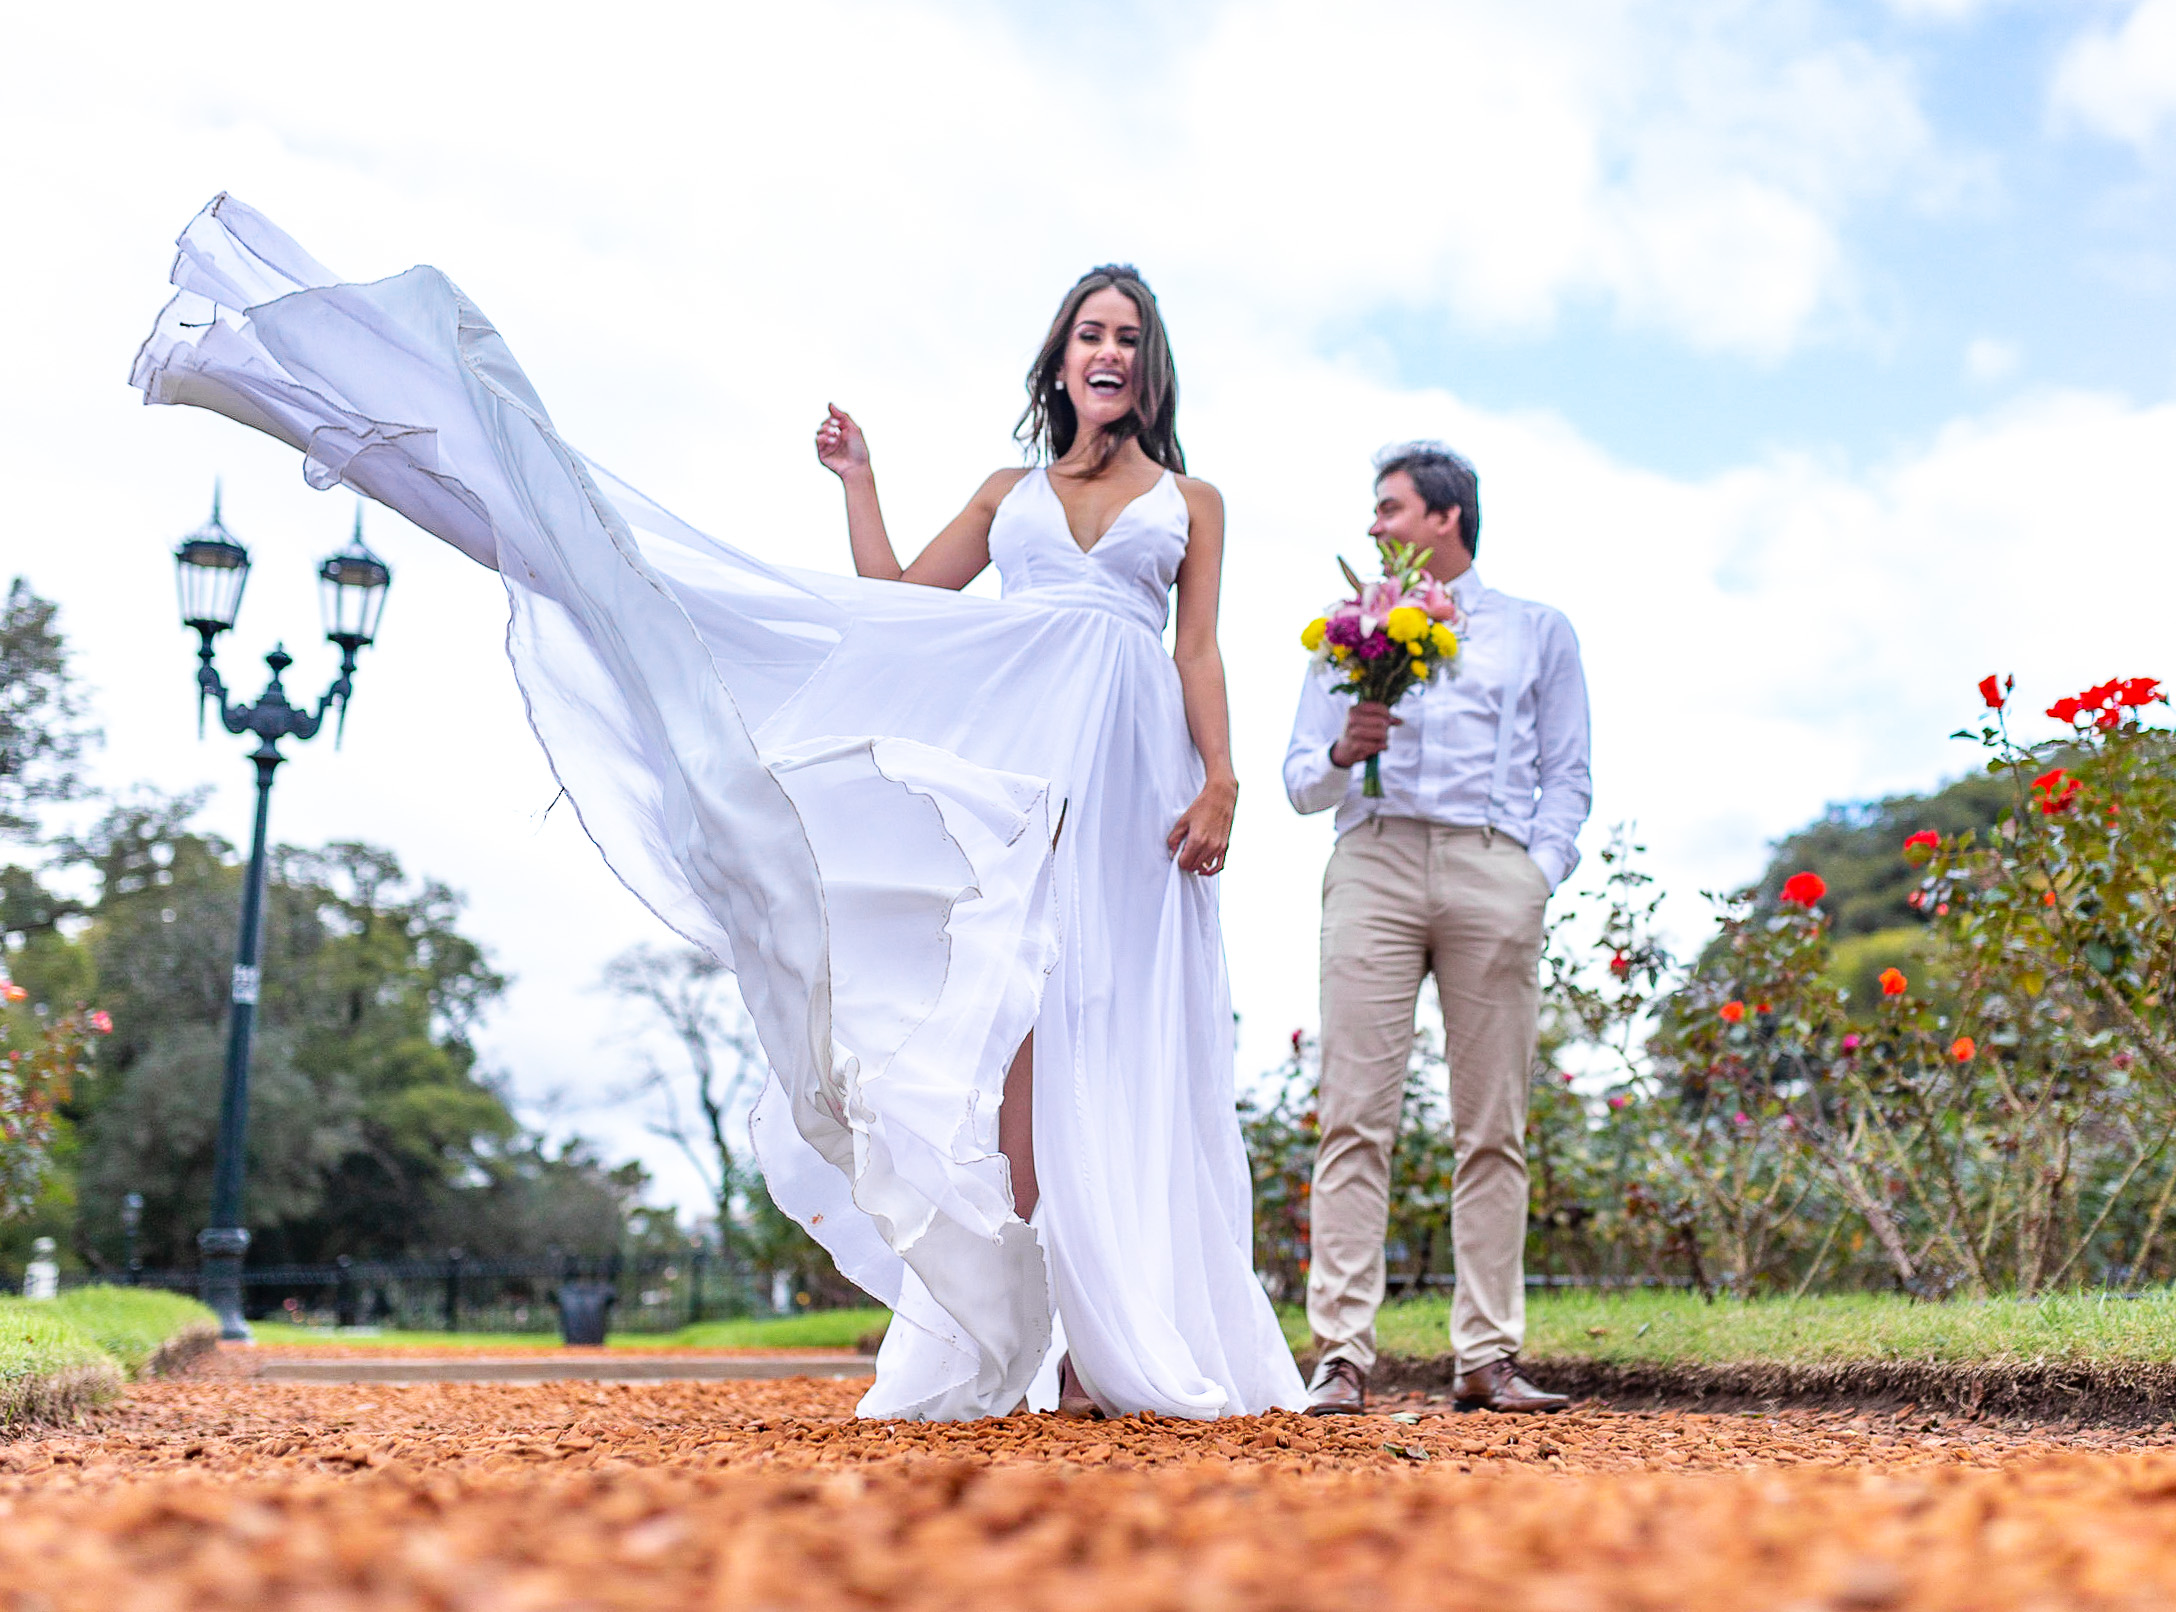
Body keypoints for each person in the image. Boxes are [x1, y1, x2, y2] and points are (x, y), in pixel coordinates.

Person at [133, 195, 1305, 1423]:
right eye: (1088, 334)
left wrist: (1220, 780)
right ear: (1060, 363)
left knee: (1116, 1032)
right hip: (1019, 769)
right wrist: (860, 480)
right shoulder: (1007, 487)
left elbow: (1201, 650)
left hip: (1139, 782)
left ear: (1150, 365)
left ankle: (1123, 1329)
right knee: (1011, 1027)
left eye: (1126, 335)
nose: (1107, 351)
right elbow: (898, 597)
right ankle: (1033, 1324)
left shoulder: (1193, 499)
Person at [1282, 443, 1592, 1416]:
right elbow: (1300, 779)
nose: (1375, 526)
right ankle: (1340, 1354)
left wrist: (1533, 877)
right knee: (1352, 1117)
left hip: (1491, 867)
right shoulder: (1347, 630)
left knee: (1491, 1126)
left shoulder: (1541, 632)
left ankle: (1487, 1355)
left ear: (1445, 518)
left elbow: (1569, 772)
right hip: (1373, 860)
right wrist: (1345, 748)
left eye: (1390, 508)